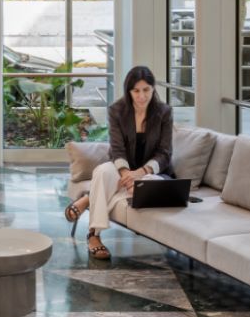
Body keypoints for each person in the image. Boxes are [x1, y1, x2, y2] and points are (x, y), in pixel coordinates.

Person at [63, 65, 173, 260]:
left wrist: (139, 173)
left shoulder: (164, 112)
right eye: (136, 91)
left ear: (153, 89)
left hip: (151, 172)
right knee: (102, 173)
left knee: (138, 189)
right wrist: (126, 174)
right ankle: (94, 235)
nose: (141, 96)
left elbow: (164, 153)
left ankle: (90, 198)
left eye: (146, 90)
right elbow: (116, 149)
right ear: (129, 91)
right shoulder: (117, 110)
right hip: (121, 166)